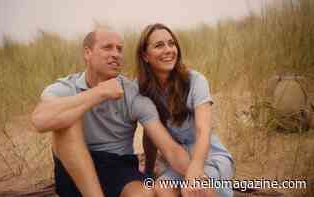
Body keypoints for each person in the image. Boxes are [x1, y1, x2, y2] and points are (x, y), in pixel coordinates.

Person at [31, 29, 190, 197]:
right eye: (107, 47)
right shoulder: (66, 87)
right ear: (87, 53)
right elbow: (39, 120)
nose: (116, 54)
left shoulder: (133, 94)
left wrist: (201, 174)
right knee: (67, 120)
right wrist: (99, 93)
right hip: (74, 168)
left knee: (144, 194)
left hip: (118, 165)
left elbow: (169, 148)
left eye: (119, 49)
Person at [136, 23, 235, 197]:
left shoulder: (195, 80)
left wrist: (194, 170)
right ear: (145, 55)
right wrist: (148, 173)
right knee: (162, 188)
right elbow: (150, 135)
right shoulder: (143, 89)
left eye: (171, 43)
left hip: (208, 156)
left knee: (195, 190)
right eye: (159, 45)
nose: (168, 50)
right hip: (176, 161)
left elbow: (202, 130)